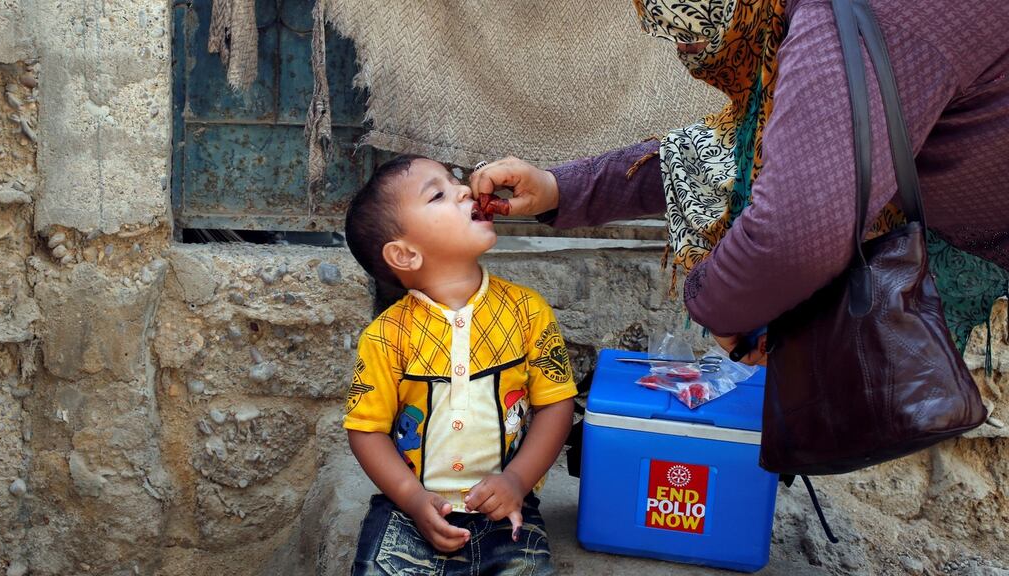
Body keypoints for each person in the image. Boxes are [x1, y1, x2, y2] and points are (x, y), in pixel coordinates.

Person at [469, 0, 1009, 365]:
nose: (693, 62)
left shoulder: (850, 20)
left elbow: (796, 232)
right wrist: (560, 188)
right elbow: (737, 151)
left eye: (697, 43)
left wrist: (721, 306)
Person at [343, 154, 577, 575]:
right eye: (438, 194)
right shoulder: (385, 337)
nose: (465, 189)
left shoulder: (528, 312)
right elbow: (366, 430)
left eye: (455, 181)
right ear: (406, 254)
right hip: (408, 513)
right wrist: (412, 499)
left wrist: (517, 482)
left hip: (507, 510)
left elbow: (557, 405)